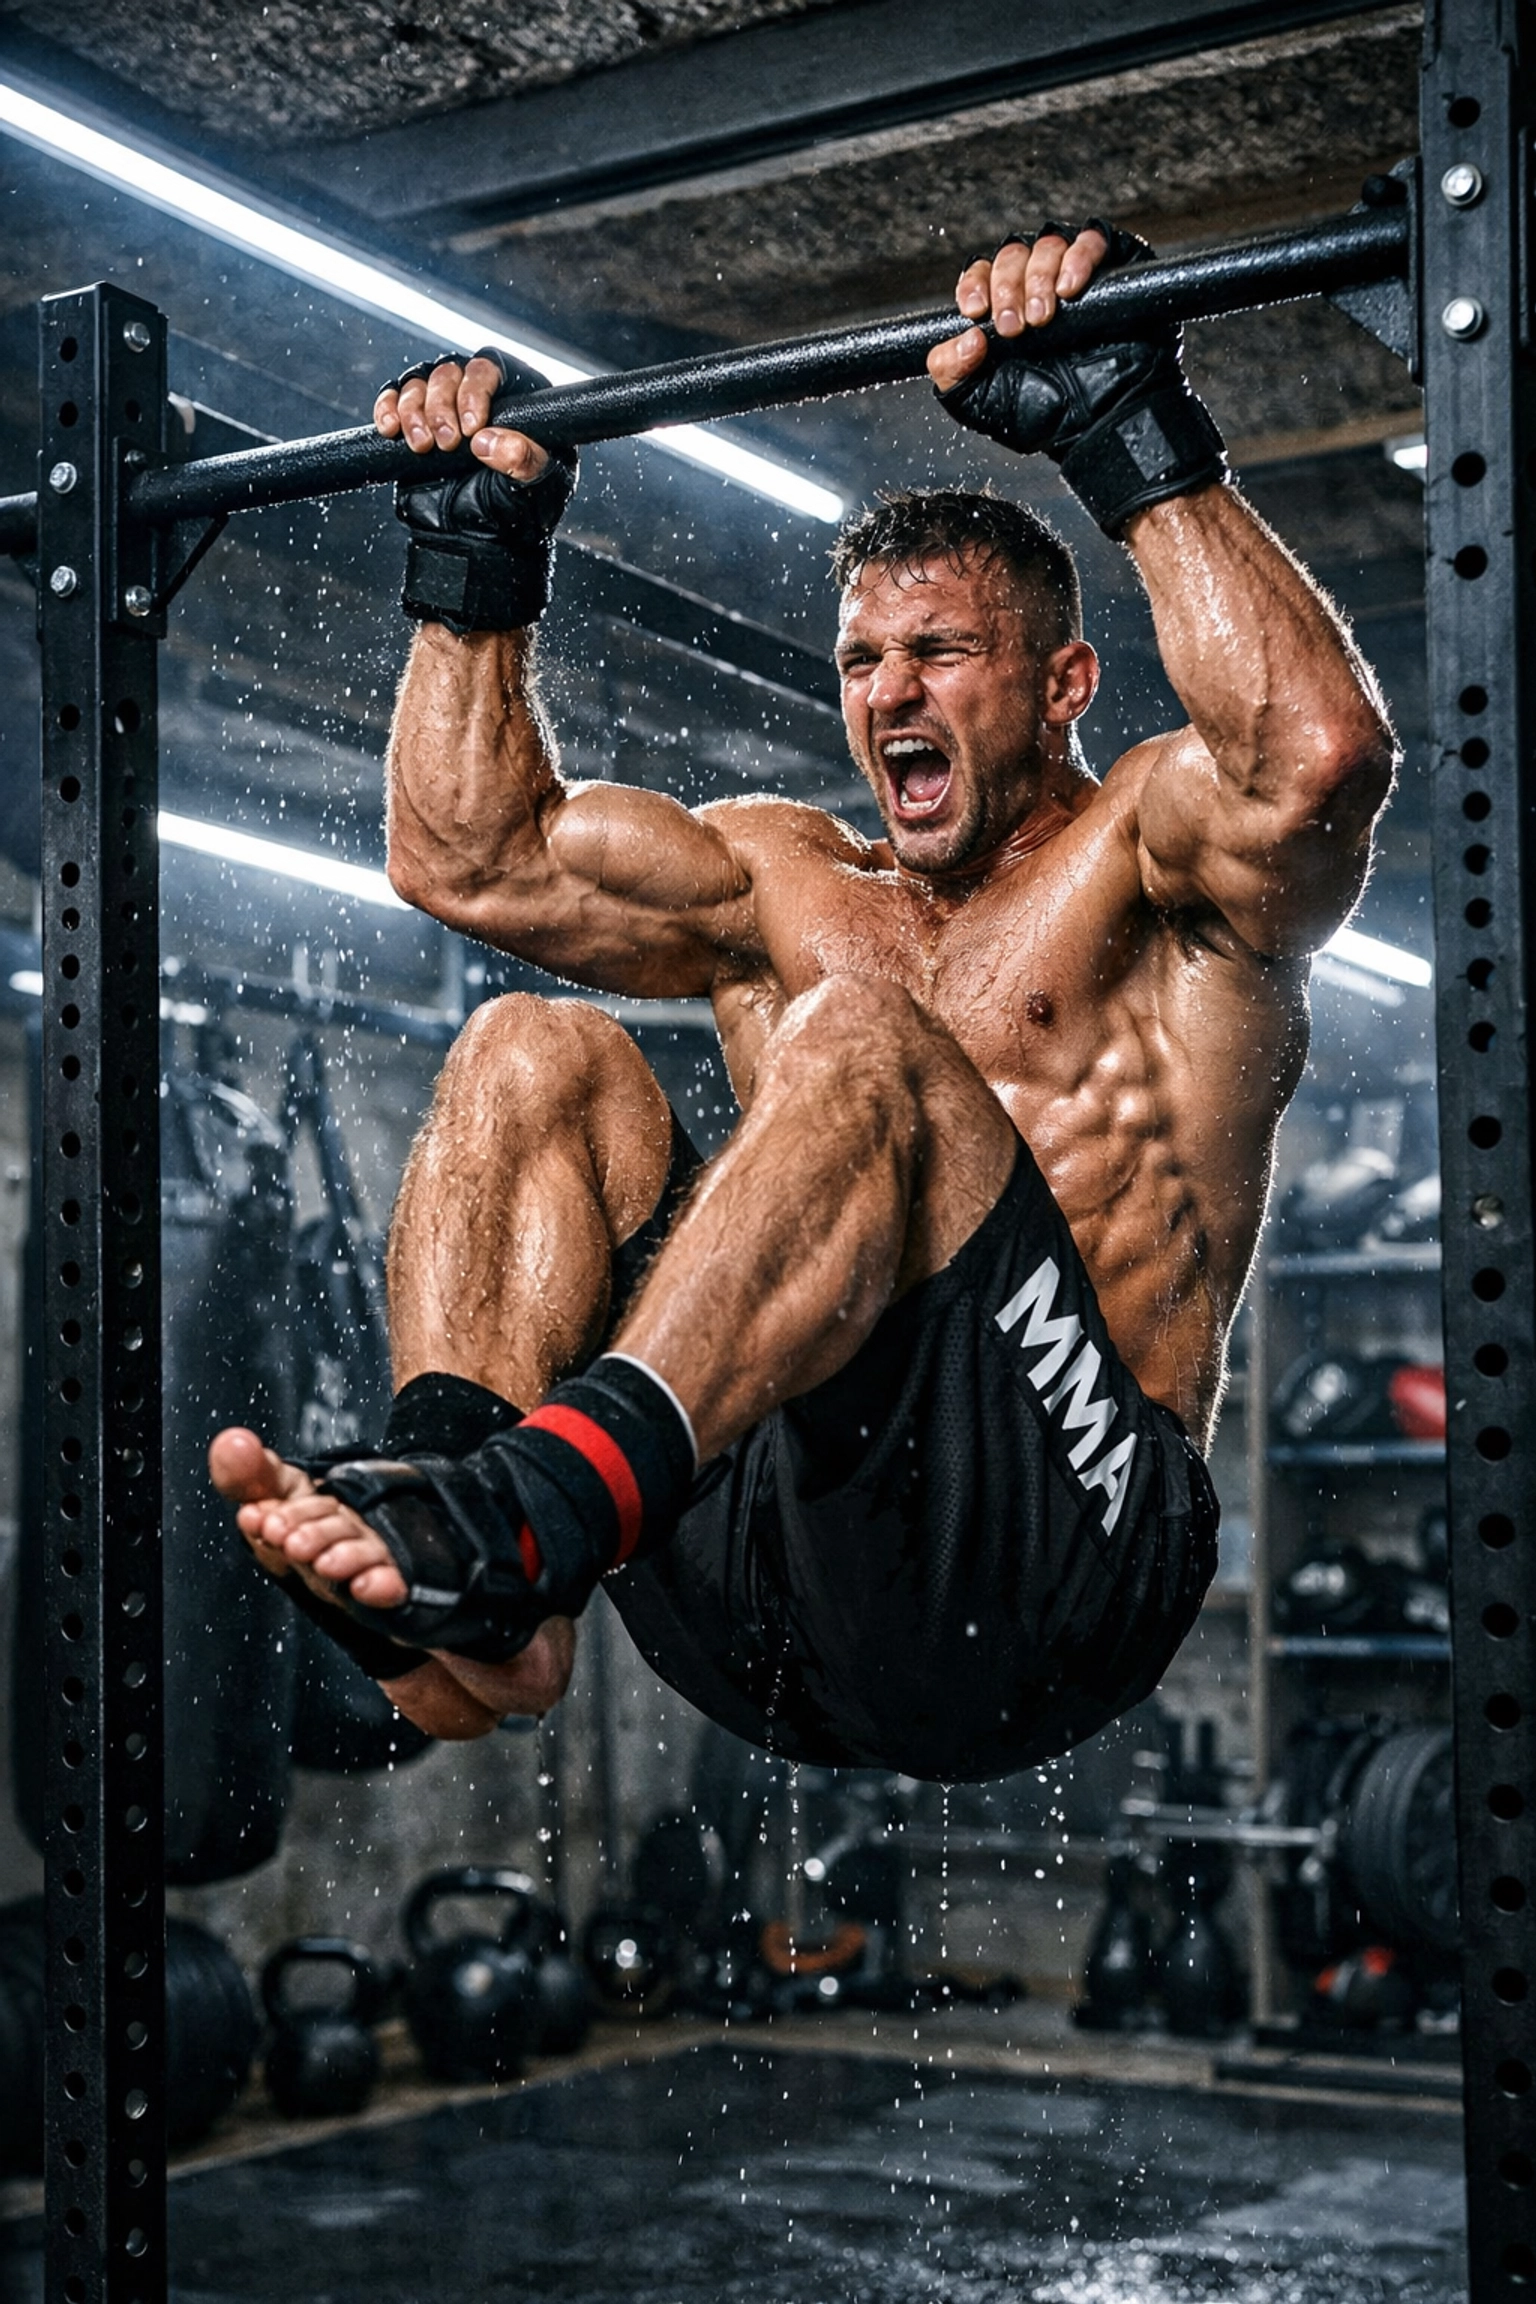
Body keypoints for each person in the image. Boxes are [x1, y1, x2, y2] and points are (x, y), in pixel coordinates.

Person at [211, 222, 1395, 1779]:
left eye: (942, 653)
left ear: (1062, 688)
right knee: (528, 1046)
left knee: (855, 1038)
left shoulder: (1152, 863)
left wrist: (1135, 434)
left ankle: (543, 1504)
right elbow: (468, 863)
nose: (888, 692)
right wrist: (471, 575)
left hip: (1055, 1559)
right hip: (768, 1580)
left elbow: (1314, 761)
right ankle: (477, 1569)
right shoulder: (788, 878)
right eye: (862, 660)